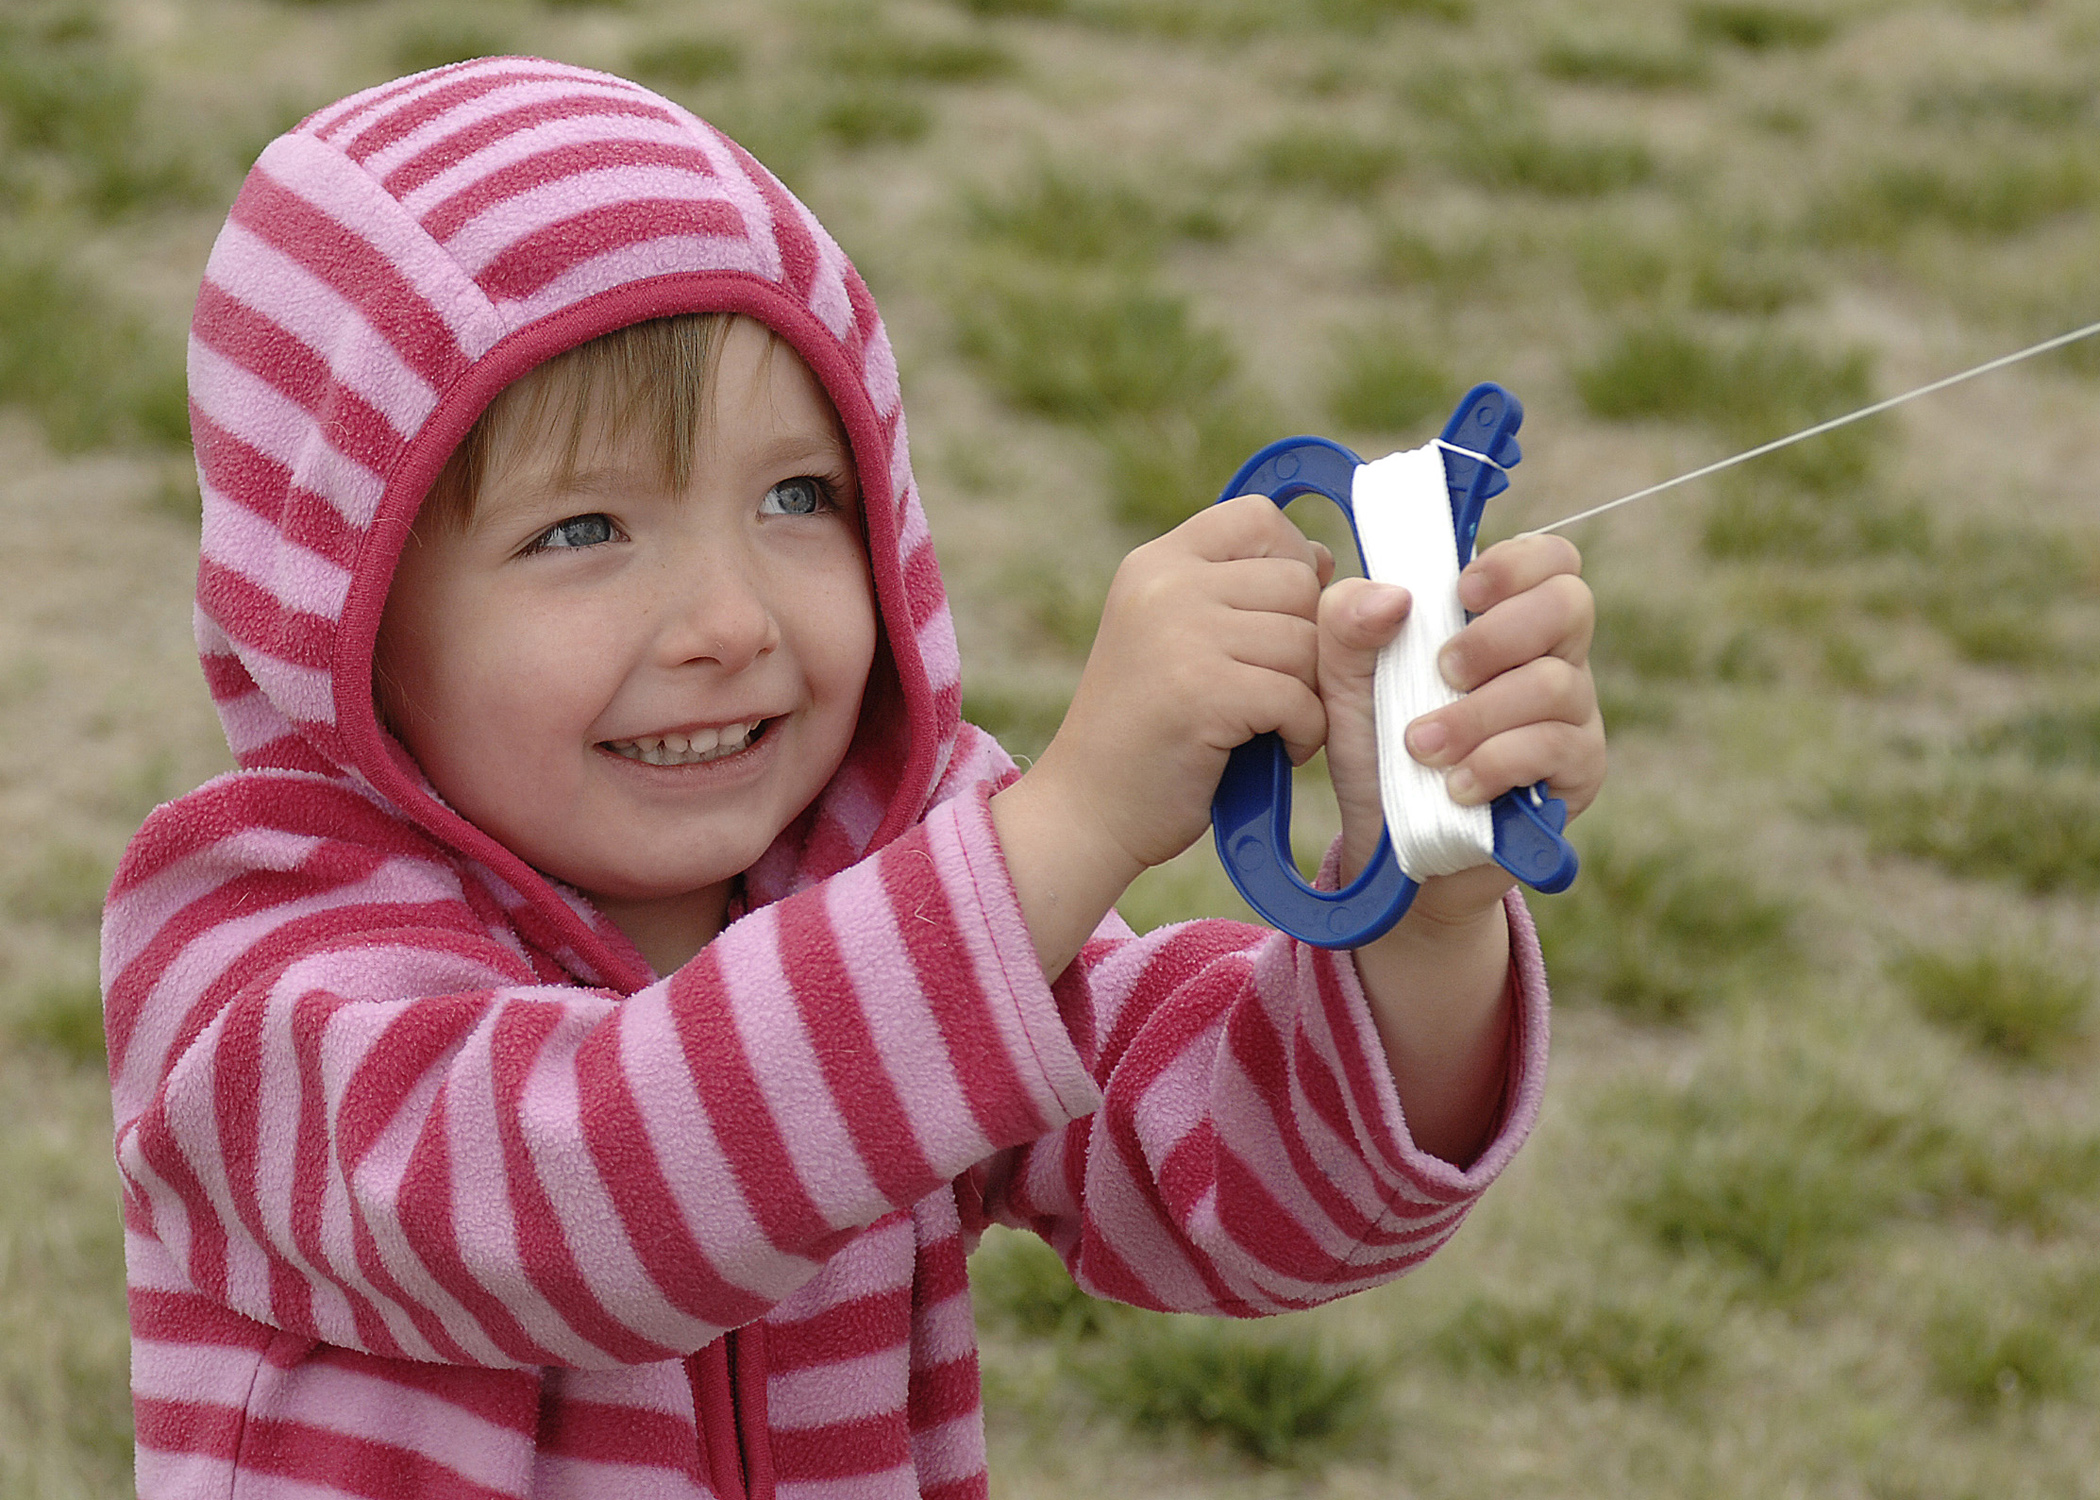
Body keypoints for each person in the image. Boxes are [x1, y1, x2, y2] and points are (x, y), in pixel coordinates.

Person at [101, 57, 1604, 1500]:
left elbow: (1240, 1191)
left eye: (798, 498)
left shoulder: (885, 865)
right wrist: (1066, 830)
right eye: (583, 532)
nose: (731, 624)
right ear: (339, 604)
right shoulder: (248, 960)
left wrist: (1427, 899)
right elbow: (588, 1201)